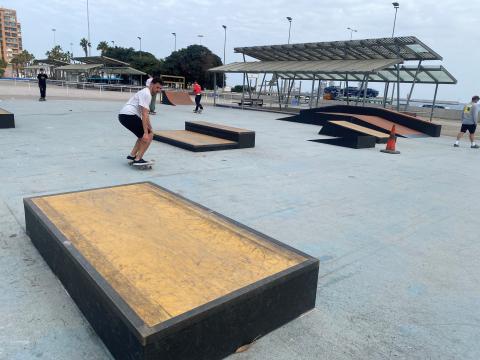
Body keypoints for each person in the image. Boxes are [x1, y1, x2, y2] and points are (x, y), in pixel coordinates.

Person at [118, 78, 163, 166]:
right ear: (151, 85)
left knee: (143, 135)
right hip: (129, 115)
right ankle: (138, 159)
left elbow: (146, 115)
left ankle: (132, 155)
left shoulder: (145, 92)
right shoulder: (147, 94)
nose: (158, 90)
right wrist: (147, 132)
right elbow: (144, 114)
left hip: (124, 115)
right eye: (157, 87)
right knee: (148, 136)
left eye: (160, 89)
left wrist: (150, 128)